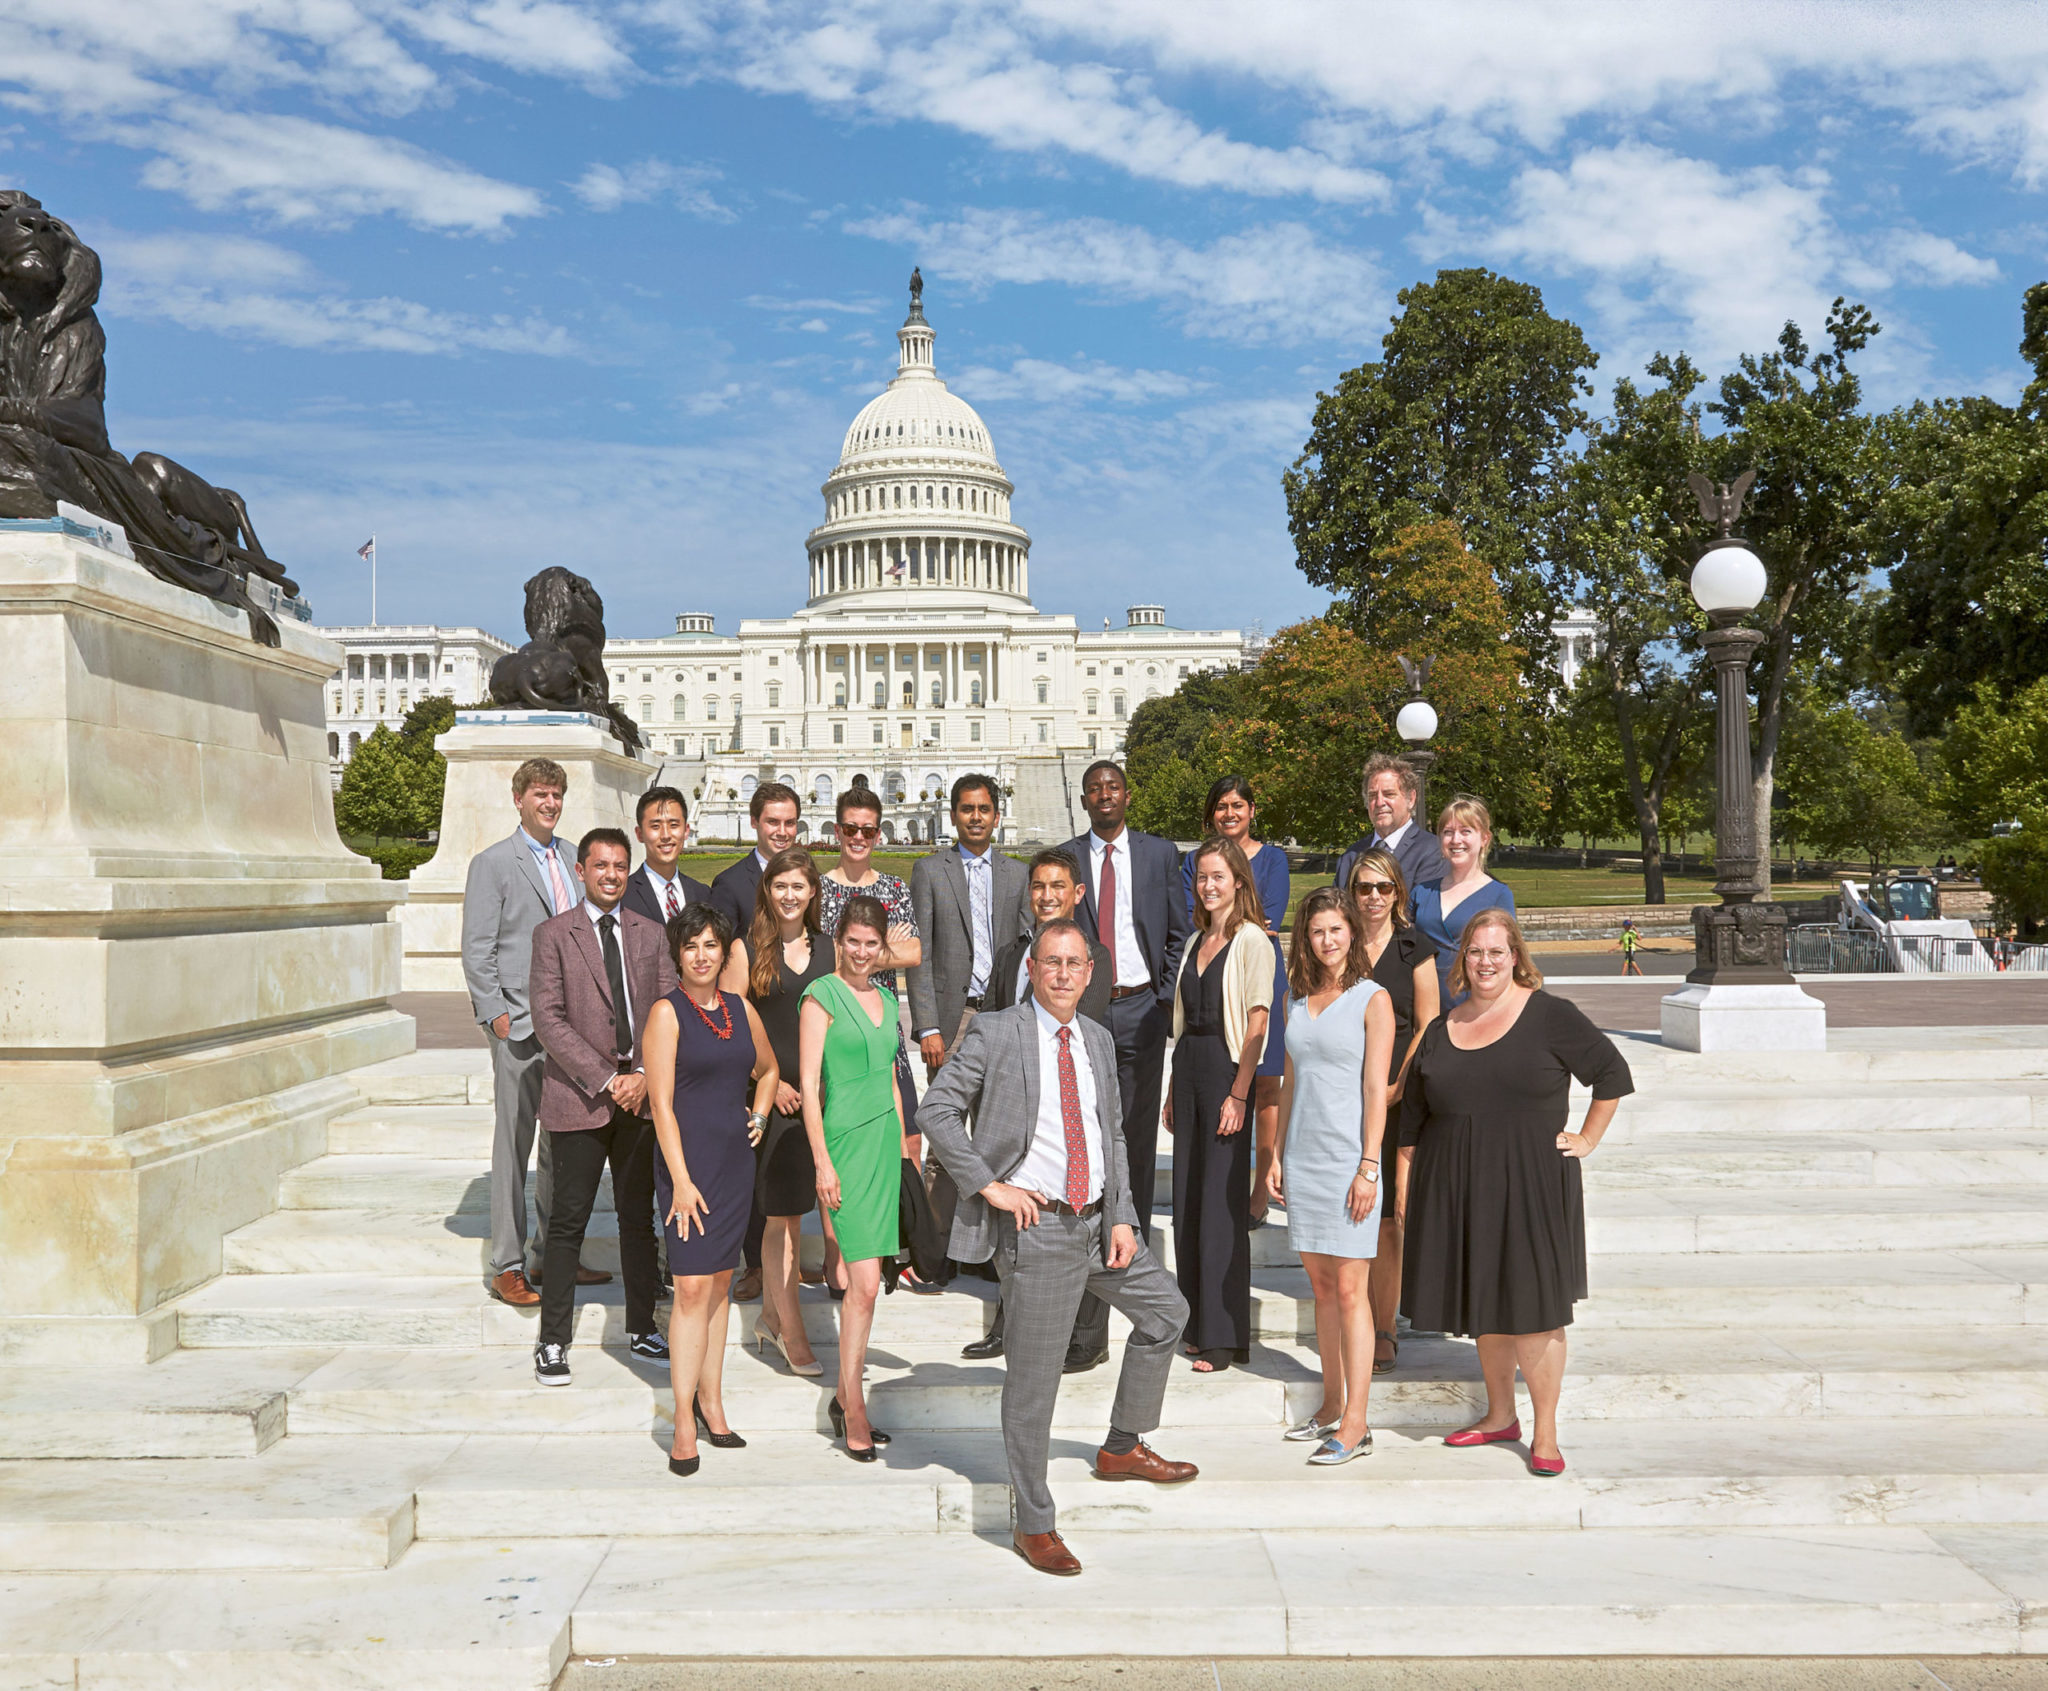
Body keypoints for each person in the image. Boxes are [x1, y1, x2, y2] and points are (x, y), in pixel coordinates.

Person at [919, 919, 1198, 1577]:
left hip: (1103, 1225)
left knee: (1167, 1315)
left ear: (1092, 969)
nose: (1065, 973)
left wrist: (1124, 1215)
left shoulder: (1098, 1038)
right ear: (1034, 969)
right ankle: (1034, 1522)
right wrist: (989, 1185)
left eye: (1076, 962)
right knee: (1035, 1384)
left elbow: (1114, 1138)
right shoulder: (996, 1031)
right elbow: (935, 1110)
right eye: (1053, 962)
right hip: (1038, 1230)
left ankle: (1123, 1444)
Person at [1398, 909, 1634, 1478]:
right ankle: (1500, 1414)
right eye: (1475, 952)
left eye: (1496, 952)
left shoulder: (1551, 1016)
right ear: (1463, 960)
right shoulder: (1441, 1028)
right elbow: (1412, 1121)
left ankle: (1546, 1431)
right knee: (1488, 1306)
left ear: (1516, 957)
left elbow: (1611, 1073)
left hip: (1531, 1185)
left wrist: (1587, 1139)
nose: (1485, 962)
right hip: (1460, 1185)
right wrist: (1406, 1187)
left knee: (1535, 1311)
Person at [526, 828, 679, 1388]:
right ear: (581, 871)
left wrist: (640, 1074)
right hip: (579, 1099)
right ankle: (552, 1339)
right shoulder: (553, 935)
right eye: (601, 866)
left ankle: (642, 1326)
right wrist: (606, 1078)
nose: (611, 875)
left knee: (638, 1222)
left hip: (639, 1102)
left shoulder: (651, 934)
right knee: (567, 1222)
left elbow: (667, 1008)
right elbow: (549, 1019)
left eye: (620, 866)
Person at [461, 756, 609, 1307]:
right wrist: (494, 1014)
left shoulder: (576, 859)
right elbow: (478, 947)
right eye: (540, 794)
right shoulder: (493, 863)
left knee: (560, 1149)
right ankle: (507, 1262)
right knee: (513, 1145)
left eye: (556, 795)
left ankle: (552, 1255)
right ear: (519, 799)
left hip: (568, 1031)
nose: (549, 803)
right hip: (518, 1027)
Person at [960, 847, 1113, 1361]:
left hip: (1067, 1107)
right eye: (1039, 887)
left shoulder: (1094, 958)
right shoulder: (1011, 956)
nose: (1047, 896)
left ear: (1077, 894)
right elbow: (996, 1025)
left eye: (1057, 886)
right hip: (1018, 1112)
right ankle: (1009, 1327)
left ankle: (1087, 1340)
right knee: (1018, 1231)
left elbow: (1074, 1023)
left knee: (1081, 1217)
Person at [643, 903, 779, 1476]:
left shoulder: (740, 1010)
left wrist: (762, 1115)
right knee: (692, 1288)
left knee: (721, 1284)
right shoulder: (665, 1015)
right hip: (686, 1166)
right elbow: (660, 1105)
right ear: (678, 954)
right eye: (691, 946)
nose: (701, 956)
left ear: (725, 953)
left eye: (711, 946)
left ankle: (713, 1404)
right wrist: (679, 1181)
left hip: (733, 1163)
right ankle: (681, 1418)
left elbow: (769, 1071)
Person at [1064, 760, 1190, 1373]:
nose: (1105, 796)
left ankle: (1130, 1248)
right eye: (1095, 789)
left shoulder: (1160, 854)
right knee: (1082, 1134)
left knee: (1135, 1136)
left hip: (1141, 1007)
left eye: (1113, 787)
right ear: (1083, 799)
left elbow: (1178, 933)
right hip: (1085, 1012)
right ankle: (1087, 1264)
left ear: (1126, 796)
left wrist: (1165, 1000)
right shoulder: (1065, 857)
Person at [1267, 888, 1395, 1464]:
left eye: (1336, 930)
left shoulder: (1373, 999)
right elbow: (1291, 1084)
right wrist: (1273, 1156)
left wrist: (1370, 1165)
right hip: (1304, 1159)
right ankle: (1330, 1404)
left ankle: (1358, 1423)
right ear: (1307, 938)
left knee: (1350, 1291)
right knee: (1321, 1290)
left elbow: (1376, 1090)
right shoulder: (1296, 1002)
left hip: (1351, 1163)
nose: (1327, 941)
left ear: (1352, 933)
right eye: (1317, 931)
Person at [800, 895, 908, 1461]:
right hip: (842, 1144)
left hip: (884, 1145)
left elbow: (891, 1079)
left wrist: (907, 1147)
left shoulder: (890, 1002)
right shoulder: (820, 997)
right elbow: (811, 1086)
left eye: (872, 943)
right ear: (838, 942)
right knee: (862, 1283)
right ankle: (853, 1406)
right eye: (853, 942)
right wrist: (821, 1160)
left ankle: (845, 1396)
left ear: (881, 946)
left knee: (866, 1279)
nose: (862, 953)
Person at [908, 773, 1031, 1266]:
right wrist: (929, 1027)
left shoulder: (1017, 875)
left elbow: (1025, 952)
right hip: (952, 1017)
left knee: (999, 1136)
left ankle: (990, 1254)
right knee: (945, 1133)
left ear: (996, 816)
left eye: (984, 809)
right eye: (966, 809)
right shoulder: (930, 870)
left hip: (1001, 1014)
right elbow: (920, 954)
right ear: (953, 814)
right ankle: (938, 1251)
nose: (975, 817)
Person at [1165, 836, 1275, 1372]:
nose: (1209, 885)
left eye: (1219, 876)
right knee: (1188, 1201)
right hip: (1188, 1069)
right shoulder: (1193, 942)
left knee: (1220, 1207)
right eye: (1202, 877)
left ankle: (1224, 1336)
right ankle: (1194, 1323)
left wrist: (1238, 1093)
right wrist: (1170, 1087)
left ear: (1238, 881)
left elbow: (1258, 1022)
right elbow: (1183, 1022)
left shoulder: (1253, 940)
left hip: (1228, 1072)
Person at [725, 847, 832, 1378]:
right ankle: (793, 1332)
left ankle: (770, 1315)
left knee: (807, 1213)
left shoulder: (831, 950)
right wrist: (772, 1081)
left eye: (799, 886)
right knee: (783, 1218)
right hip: (776, 1100)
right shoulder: (748, 950)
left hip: (825, 1100)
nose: (790, 895)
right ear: (767, 891)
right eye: (780, 885)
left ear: (813, 892)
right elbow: (726, 1023)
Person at [818, 785, 925, 1295]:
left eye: (868, 829)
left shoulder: (894, 888)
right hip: (838, 1033)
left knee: (907, 1140)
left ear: (878, 833)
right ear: (836, 830)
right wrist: (880, 955)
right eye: (850, 828)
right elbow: (823, 962)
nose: (859, 837)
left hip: (885, 1034)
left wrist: (854, 960)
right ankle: (838, 1254)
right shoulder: (821, 888)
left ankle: (894, 1248)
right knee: (842, 1149)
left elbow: (915, 953)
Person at [1345, 849, 1440, 1376]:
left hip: (1397, 1097)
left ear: (1398, 892)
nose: (1374, 898)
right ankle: (1350, 1318)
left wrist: (1397, 1084)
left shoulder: (1413, 947)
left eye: (1383, 888)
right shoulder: (1338, 942)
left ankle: (1384, 1326)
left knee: (1385, 1222)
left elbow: (1429, 1020)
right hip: (1343, 1099)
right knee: (1347, 1213)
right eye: (1364, 888)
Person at [708, 780, 802, 1303]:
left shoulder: (802, 877)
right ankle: (754, 1265)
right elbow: (721, 976)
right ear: (755, 823)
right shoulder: (731, 883)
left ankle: (780, 1261)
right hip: (749, 1047)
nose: (781, 831)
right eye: (773, 822)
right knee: (749, 1164)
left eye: (789, 822)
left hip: (789, 1038)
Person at [1181, 776, 1291, 1224]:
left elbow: (1269, 920)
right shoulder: (1196, 862)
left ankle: (1260, 1192)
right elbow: (1193, 913)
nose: (1229, 813)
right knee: (1223, 1085)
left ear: (1251, 810)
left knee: (1265, 1087)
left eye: (1237, 805)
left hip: (1258, 974)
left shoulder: (1273, 859)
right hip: (1211, 973)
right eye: (1221, 806)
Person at [1411, 795, 1516, 1000]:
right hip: (1424, 1007)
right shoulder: (1421, 892)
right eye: (1448, 832)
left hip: (1477, 1007)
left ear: (1484, 838)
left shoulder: (1499, 895)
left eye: (1465, 831)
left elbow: (1507, 958)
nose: (1455, 840)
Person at [1333, 753, 1449, 900]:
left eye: (1389, 794)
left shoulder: (1434, 851)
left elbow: (1423, 915)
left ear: (1411, 799)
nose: (1380, 802)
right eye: (1372, 796)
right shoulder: (1350, 857)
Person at [622, 785, 710, 927]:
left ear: (686, 831)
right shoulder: (623, 897)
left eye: (673, 825)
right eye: (655, 826)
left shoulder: (703, 894)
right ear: (639, 834)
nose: (666, 835)